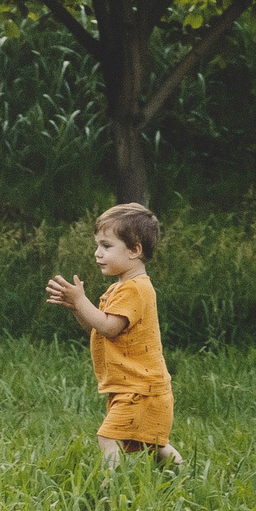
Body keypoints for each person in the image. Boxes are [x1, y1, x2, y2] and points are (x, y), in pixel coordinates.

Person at [44, 202, 182, 472]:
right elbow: (99, 329)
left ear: (135, 250)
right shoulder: (121, 288)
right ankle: (183, 474)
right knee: (151, 443)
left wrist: (81, 300)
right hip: (137, 386)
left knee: (109, 438)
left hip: (140, 389)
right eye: (97, 245)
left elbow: (109, 327)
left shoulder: (134, 289)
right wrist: (77, 307)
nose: (97, 253)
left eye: (106, 246)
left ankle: (111, 489)